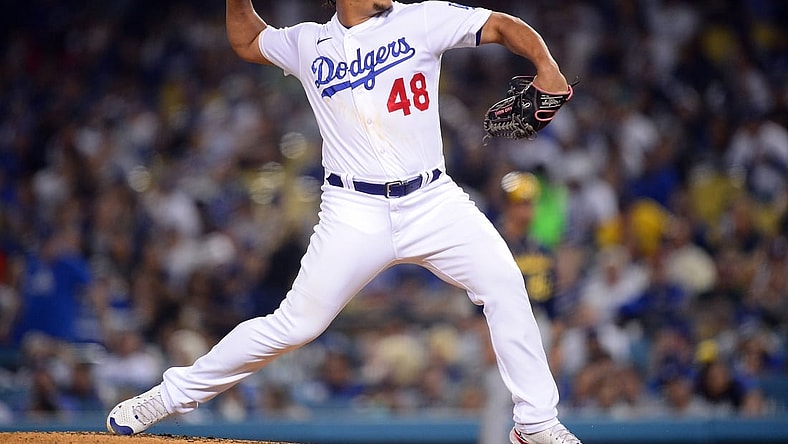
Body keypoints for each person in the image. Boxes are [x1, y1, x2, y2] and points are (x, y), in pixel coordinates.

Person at [106, 1, 581, 443]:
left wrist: (547, 66)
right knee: (294, 325)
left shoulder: (420, 19)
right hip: (355, 211)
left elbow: (501, 25)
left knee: (504, 283)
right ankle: (166, 397)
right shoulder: (308, 42)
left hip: (433, 200)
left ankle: (535, 422)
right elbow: (248, 41)